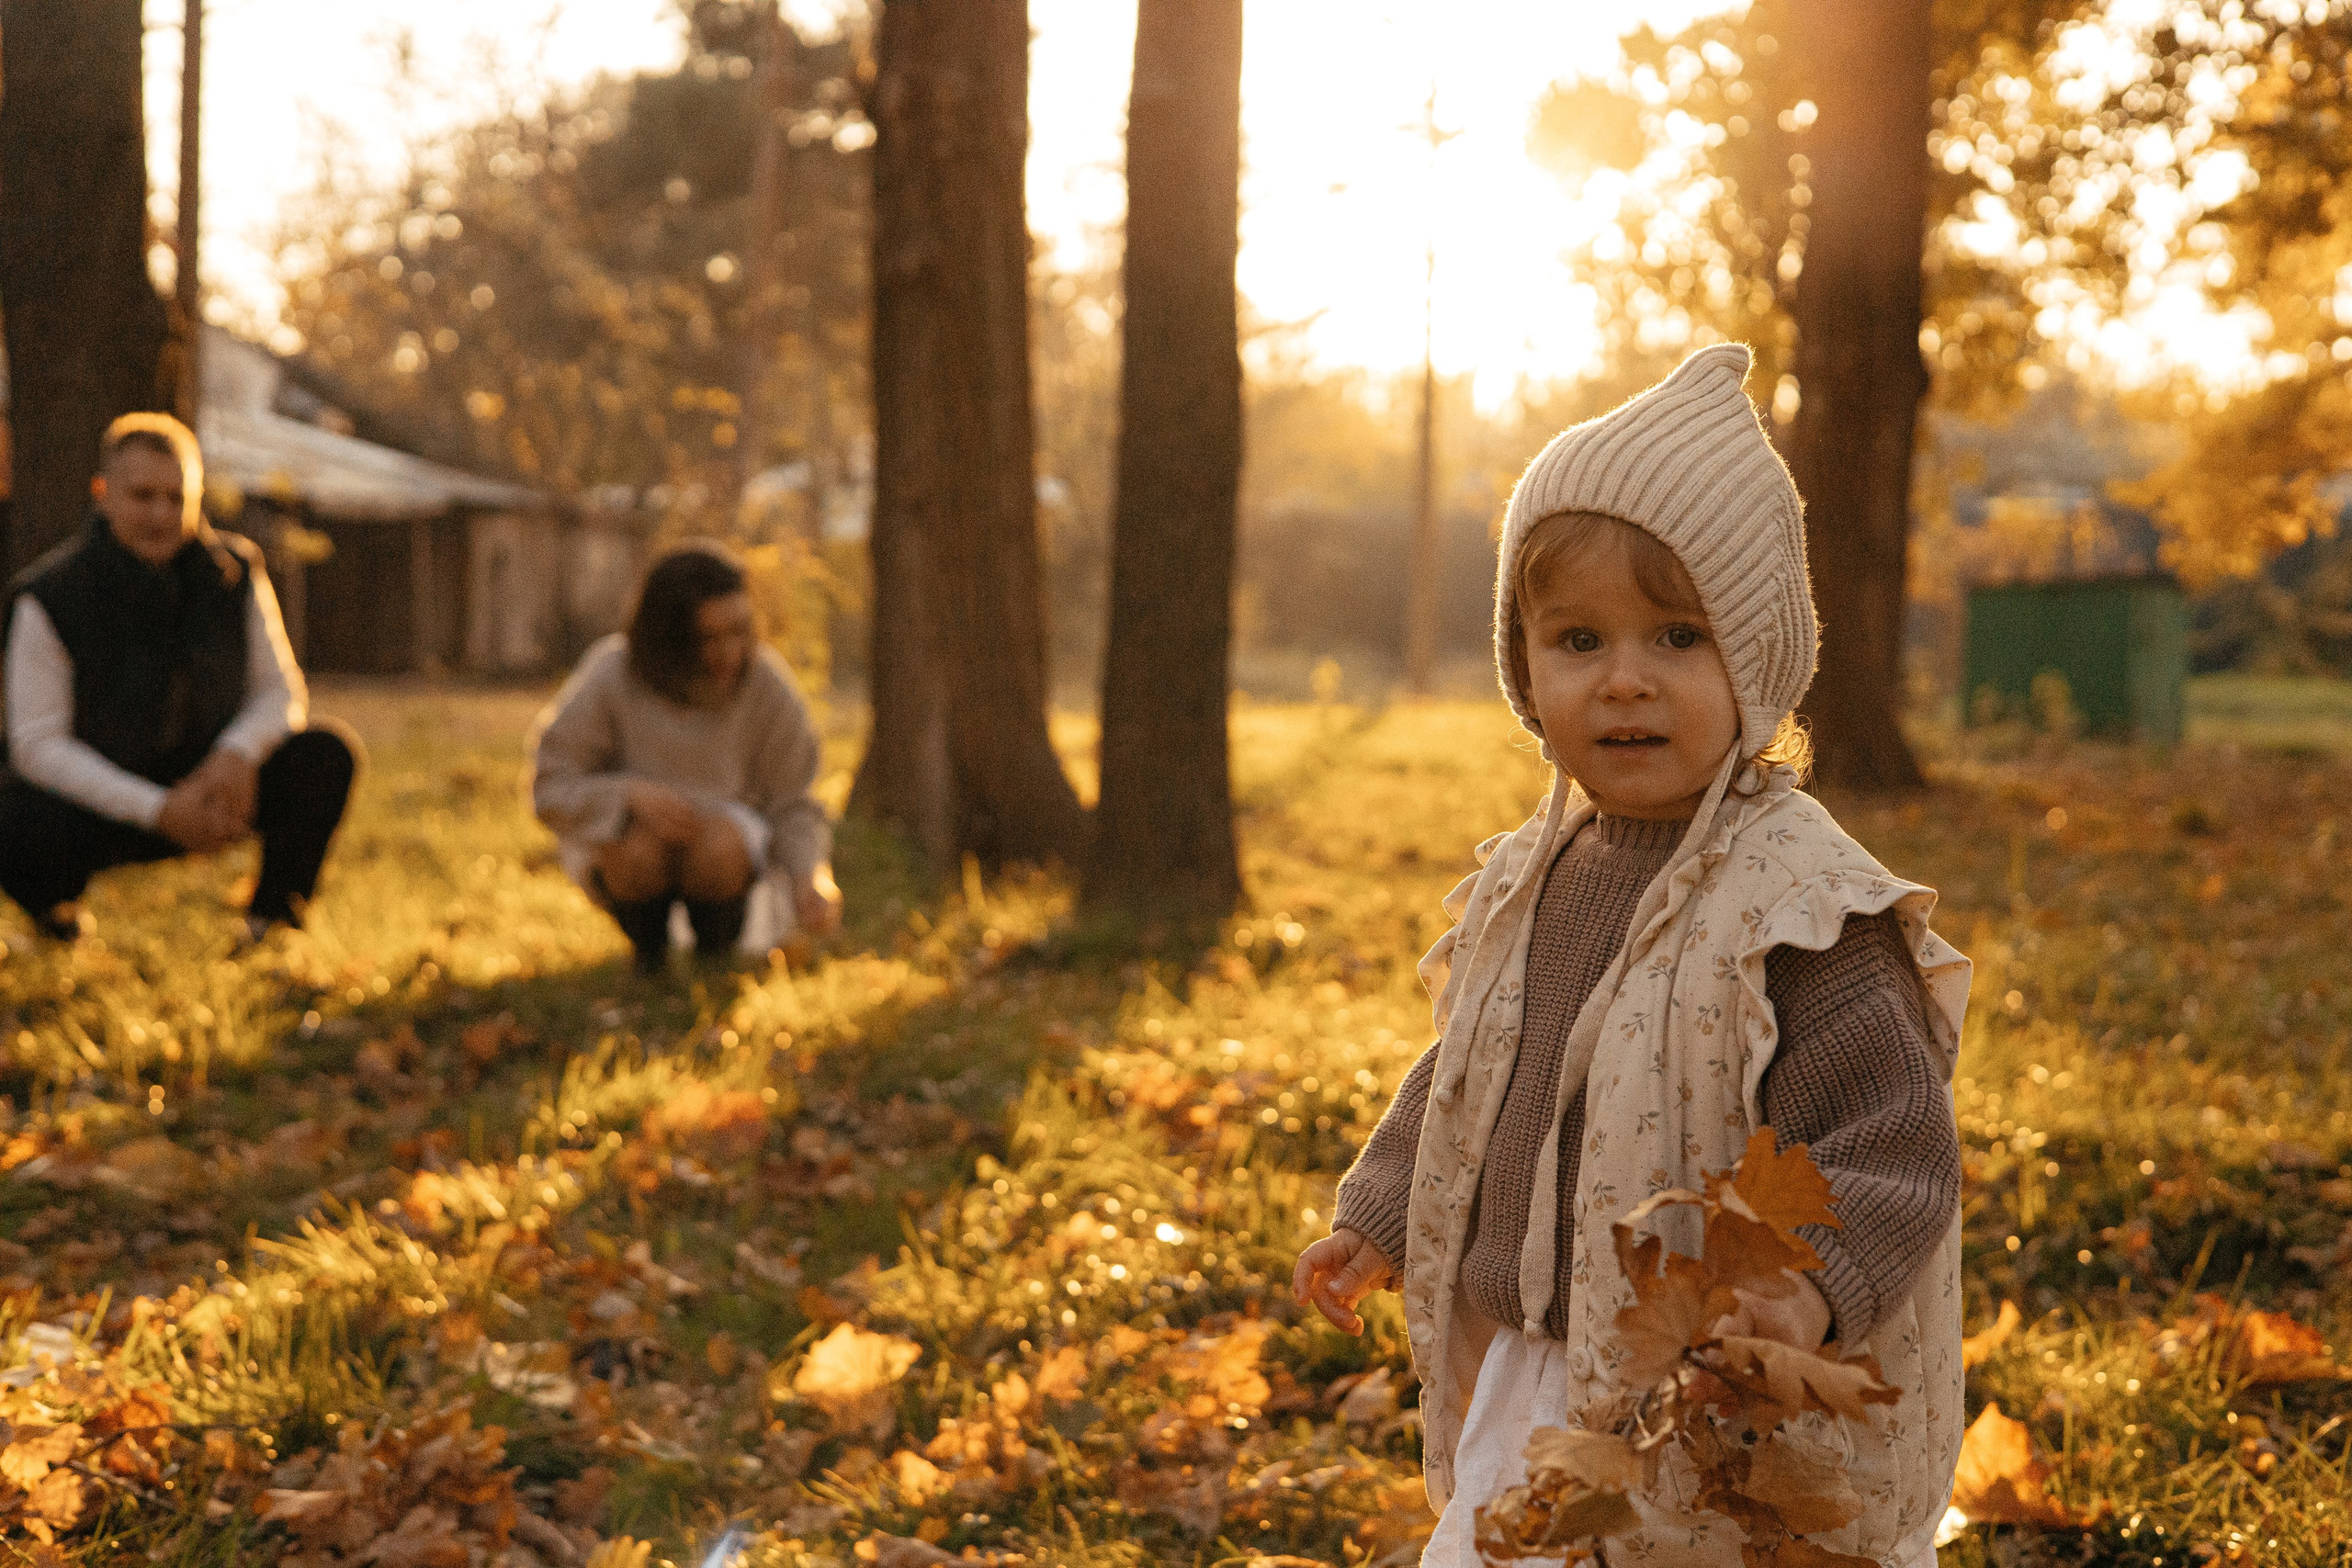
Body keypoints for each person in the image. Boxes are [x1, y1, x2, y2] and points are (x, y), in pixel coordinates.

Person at [1289, 345, 1972, 1567]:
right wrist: (1385, 1208)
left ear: (1755, 658)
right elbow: (1471, 1067)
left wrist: (1807, 1288)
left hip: (1718, 1387)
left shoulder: (1802, 905)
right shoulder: (1531, 874)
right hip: (1541, 1371)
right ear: (1524, 665)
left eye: (1676, 634)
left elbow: (1891, 1133)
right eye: (1577, 638)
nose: (1624, 680)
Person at [0, 412, 356, 943]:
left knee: (325, 754)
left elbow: (280, 689)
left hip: (214, 785)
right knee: (11, 813)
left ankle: (271, 927)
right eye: (143, 496)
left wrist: (234, 756)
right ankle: (55, 916)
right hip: (103, 805)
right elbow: (37, 745)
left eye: (177, 497)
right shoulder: (48, 596)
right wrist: (157, 809)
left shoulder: (236, 571)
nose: (162, 514)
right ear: (103, 494)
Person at [528, 541, 839, 974]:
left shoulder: (764, 684)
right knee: (634, 848)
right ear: (670, 638)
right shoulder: (614, 674)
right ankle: (648, 956)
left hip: (729, 854)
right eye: (709, 639)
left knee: (717, 846)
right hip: (635, 846)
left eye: (740, 631)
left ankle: (716, 956)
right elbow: (551, 787)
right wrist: (629, 796)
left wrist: (810, 875)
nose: (729, 653)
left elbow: (795, 798)